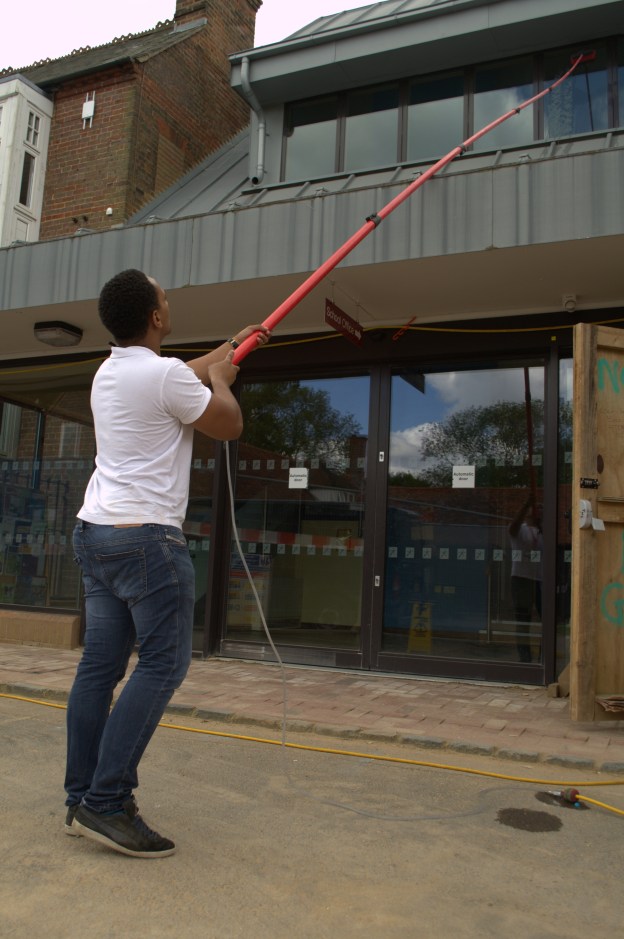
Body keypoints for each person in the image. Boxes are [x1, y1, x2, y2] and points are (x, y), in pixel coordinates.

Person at [64, 268, 269, 858]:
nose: (169, 302)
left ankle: (82, 797)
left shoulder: (111, 371)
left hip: (96, 534)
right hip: (147, 543)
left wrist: (228, 350)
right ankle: (106, 802)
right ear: (156, 317)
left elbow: (182, 374)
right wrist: (227, 379)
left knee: (99, 671)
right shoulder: (164, 377)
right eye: (165, 298)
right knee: (162, 665)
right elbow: (226, 422)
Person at [508, 494, 543, 663]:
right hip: (522, 578)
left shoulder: (544, 531)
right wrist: (525, 504)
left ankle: (544, 658)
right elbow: (512, 527)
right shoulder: (520, 529)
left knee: (547, 618)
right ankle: (525, 659)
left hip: (541, 580)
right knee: (523, 619)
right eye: (536, 507)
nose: (538, 510)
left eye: (541, 508)